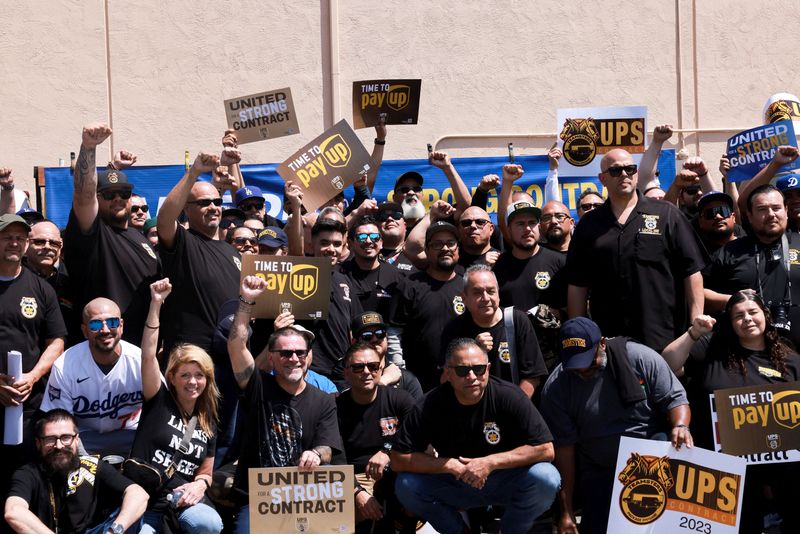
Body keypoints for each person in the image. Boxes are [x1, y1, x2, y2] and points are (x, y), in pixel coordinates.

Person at [661, 290, 800, 534]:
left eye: (753, 312)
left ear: (765, 315)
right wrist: (694, 333)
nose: (747, 319)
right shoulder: (712, 348)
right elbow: (667, 365)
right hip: (724, 474)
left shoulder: (790, 360)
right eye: (739, 315)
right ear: (730, 322)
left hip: (781, 471)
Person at [392, 338, 560, 534]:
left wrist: (490, 463)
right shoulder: (429, 404)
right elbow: (397, 459)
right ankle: (459, 531)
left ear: (488, 368)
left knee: (547, 477)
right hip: (455, 481)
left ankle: (511, 530)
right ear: (448, 373)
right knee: (406, 485)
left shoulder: (510, 395)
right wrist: (449, 465)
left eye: (479, 369)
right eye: (462, 371)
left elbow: (546, 449)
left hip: (505, 479)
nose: (471, 376)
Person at [540, 317, 691, 534]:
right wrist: (566, 511)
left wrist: (681, 426)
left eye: (588, 362)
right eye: (575, 366)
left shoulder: (640, 357)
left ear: (602, 343)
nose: (582, 370)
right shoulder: (557, 386)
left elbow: (676, 400)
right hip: (599, 468)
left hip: (652, 458)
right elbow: (565, 451)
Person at [227, 275, 344, 534]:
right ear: (271, 357)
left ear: (308, 356)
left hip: (305, 497)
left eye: (300, 352)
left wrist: (316, 454)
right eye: (285, 353)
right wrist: (246, 301)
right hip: (259, 499)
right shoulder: (258, 386)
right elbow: (236, 345)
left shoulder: (324, 399)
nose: (293, 358)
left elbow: (328, 447)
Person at [567, 149, 707, 352]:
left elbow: (692, 272)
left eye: (630, 169)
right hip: (609, 343)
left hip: (665, 341)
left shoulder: (668, 214)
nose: (624, 174)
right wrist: (579, 335)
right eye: (615, 170)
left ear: (637, 173)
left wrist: (695, 325)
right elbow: (577, 285)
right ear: (602, 179)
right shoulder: (588, 225)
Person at [132, 278, 223, 534]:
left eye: (199, 375)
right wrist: (156, 305)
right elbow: (148, 355)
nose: (192, 382)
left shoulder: (208, 420)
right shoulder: (158, 400)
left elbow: (206, 471)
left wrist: (200, 485)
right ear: (171, 377)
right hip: (145, 502)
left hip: (181, 503)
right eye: (185, 375)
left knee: (209, 523)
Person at [64, 123, 160, 346]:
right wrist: (89, 147)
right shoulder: (94, 233)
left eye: (124, 193)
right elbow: (84, 195)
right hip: (105, 348)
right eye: (109, 194)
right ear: (98, 199)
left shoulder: (140, 238)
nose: (117, 198)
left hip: (145, 351)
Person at [0, 214, 67, 498]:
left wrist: (33, 376)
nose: (14, 243)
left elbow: (56, 341)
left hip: (27, 403)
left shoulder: (42, 289)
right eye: (7, 237)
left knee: (26, 474)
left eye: (20, 237)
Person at [5, 409, 149, 534]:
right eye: (50, 439)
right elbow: (14, 512)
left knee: (129, 512)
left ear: (76, 439)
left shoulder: (92, 466)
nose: (59, 445)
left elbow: (138, 494)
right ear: (38, 443)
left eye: (66, 437)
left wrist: (114, 531)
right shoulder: (29, 473)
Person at [157, 151, 241, 353]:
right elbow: (165, 219)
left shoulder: (233, 252)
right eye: (204, 203)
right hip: (192, 361)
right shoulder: (184, 243)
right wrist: (194, 172)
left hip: (230, 358)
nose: (213, 208)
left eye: (217, 202)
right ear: (186, 209)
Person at [40, 297, 143, 456]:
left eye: (112, 323)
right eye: (95, 324)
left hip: (131, 434)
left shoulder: (140, 360)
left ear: (121, 326)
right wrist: (89, 463)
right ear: (85, 331)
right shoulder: (65, 365)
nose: (105, 330)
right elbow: (58, 424)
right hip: (84, 438)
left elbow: (162, 410)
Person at [704, 184, 800, 348]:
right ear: (749, 215)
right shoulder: (729, 252)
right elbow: (699, 292)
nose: (771, 215)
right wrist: (733, 300)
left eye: (776, 208)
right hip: (746, 355)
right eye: (762, 209)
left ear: (785, 210)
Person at [336, 342, 416, 531]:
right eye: (358, 367)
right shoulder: (334, 407)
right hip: (351, 478)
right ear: (346, 372)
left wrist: (387, 450)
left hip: (394, 473)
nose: (366, 372)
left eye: (372, 366)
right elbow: (335, 458)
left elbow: (418, 433)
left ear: (381, 369)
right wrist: (357, 492)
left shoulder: (400, 399)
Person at [441, 265, 547, 396]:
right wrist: (473, 350)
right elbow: (445, 379)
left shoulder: (517, 321)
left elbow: (532, 377)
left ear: (498, 294)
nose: (485, 298)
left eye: (491, 291)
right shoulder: (454, 329)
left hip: (512, 407)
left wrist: (514, 410)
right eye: (477, 292)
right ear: (464, 298)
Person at [390, 221, 467, 391]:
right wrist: (400, 371)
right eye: (437, 244)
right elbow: (394, 332)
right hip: (418, 382)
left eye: (451, 243)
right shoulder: (409, 285)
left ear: (458, 250)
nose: (445, 248)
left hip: (462, 380)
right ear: (426, 251)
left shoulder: (468, 287)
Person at [492, 195, 567, 313]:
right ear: (509, 229)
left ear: (539, 227)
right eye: (520, 224)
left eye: (532, 222)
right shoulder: (496, 268)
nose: (527, 228)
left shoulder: (560, 262)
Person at [25, 219, 81, 346]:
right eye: (39, 242)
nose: (47, 246)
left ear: (60, 248)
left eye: (54, 243)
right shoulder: (13, 281)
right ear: (26, 245)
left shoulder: (70, 286)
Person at [339, 216, 404, 321]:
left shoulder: (396, 277)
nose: (368, 241)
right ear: (350, 243)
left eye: (374, 236)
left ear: (381, 242)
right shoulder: (340, 274)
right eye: (362, 237)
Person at [351, 311, 423, 401]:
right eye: (367, 336)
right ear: (354, 342)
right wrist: (383, 382)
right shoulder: (345, 373)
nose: (375, 339)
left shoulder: (406, 379)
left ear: (386, 337)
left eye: (380, 333)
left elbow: (416, 413)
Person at [693, 191, 740, 255]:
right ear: (700, 222)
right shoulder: (698, 255)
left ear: (733, 217)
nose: (718, 217)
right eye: (710, 213)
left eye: (723, 211)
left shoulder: (751, 245)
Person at [375, 202, 417, 274]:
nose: (390, 219)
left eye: (396, 215)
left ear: (405, 225)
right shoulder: (368, 253)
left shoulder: (417, 254)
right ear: (376, 227)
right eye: (383, 217)